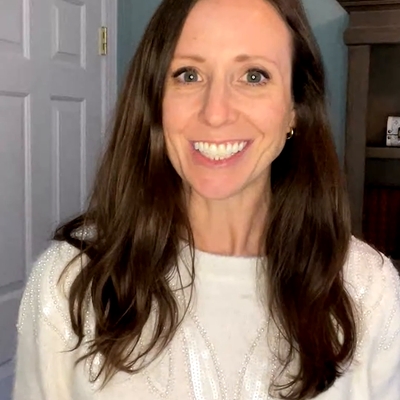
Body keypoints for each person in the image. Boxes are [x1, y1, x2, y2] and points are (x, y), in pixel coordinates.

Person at [13, 0, 400, 399]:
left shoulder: (367, 292)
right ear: (156, 102)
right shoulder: (70, 283)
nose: (216, 113)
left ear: (294, 109)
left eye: (254, 76)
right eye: (189, 74)